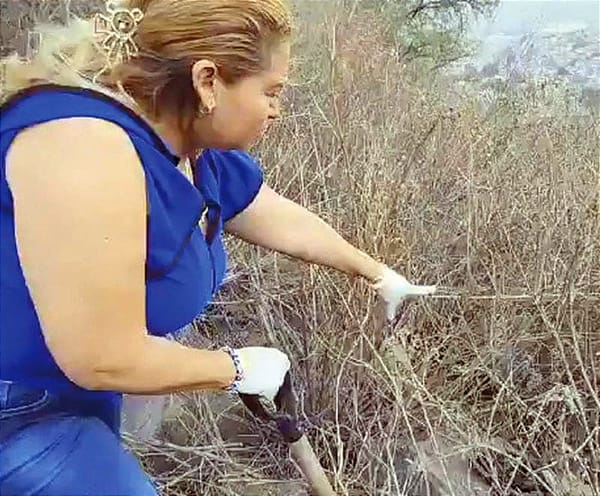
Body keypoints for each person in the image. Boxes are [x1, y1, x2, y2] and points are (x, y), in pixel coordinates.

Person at [0, 1, 436, 494]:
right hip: (16, 412)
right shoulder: (80, 146)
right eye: (271, 91)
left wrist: (377, 273)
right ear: (208, 82)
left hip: (71, 398)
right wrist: (235, 369)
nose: (277, 109)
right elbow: (100, 355)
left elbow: (276, 216)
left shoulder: (190, 148)